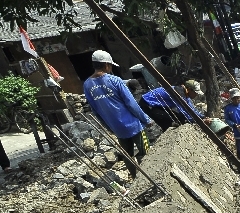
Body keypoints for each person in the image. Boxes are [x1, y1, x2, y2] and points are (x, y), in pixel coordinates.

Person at [83, 50, 153, 178]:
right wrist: (146, 119)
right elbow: (131, 104)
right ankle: (149, 177)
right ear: (106, 65)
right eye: (110, 65)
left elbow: (95, 111)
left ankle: (135, 178)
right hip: (133, 125)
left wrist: (109, 127)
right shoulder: (115, 80)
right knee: (146, 151)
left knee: (128, 155)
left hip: (117, 129)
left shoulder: (87, 85)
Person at [139, 80, 212, 131]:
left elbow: (190, 109)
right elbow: (184, 112)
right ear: (189, 90)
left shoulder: (185, 94)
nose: (196, 95)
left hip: (160, 105)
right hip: (148, 104)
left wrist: (202, 117)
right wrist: (200, 121)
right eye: (195, 93)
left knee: (179, 118)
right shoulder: (178, 94)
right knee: (169, 122)